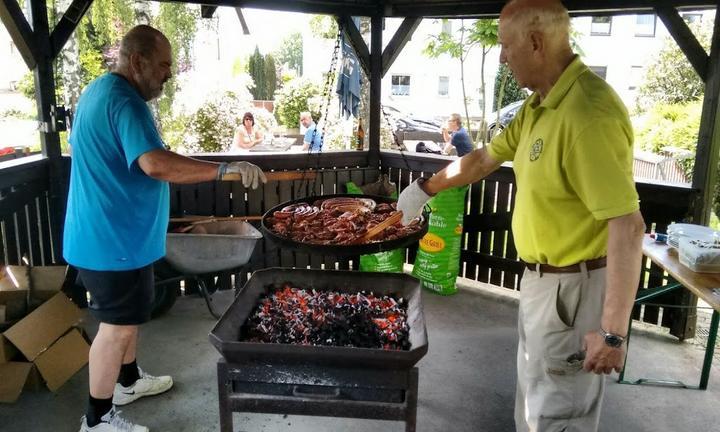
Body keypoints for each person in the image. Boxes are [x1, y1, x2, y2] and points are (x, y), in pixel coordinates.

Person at [397, 1, 646, 431]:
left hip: (573, 288)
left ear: (535, 43)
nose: (502, 57)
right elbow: (483, 160)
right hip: (540, 284)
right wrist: (424, 188)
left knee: (558, 414)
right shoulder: (538, 106)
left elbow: (628, 225)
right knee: (534, 404)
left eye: (506, 46)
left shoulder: (589, 114)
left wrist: (611, 333)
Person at [64, 25, 266, 432]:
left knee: (129, 319)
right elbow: (154, 163)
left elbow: (149, 156)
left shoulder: (100, 92)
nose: (168, 74)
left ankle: (128, 381)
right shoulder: (125, 101)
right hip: (111, 240)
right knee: (115, 328)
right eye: (163, 66)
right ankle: (97, 419)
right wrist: (223, 169)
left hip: (116, 237)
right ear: (137, 62)